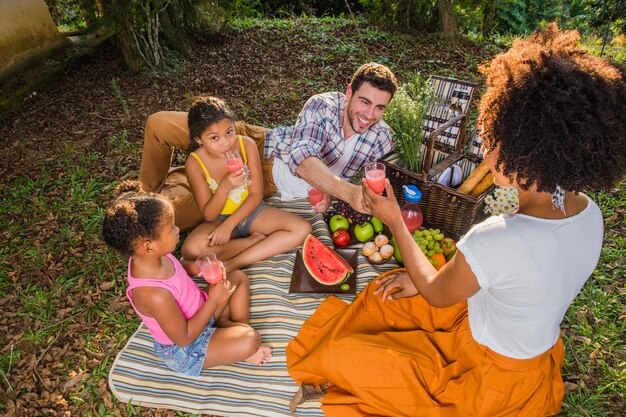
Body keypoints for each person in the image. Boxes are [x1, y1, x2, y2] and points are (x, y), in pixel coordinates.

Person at [286, 24, 626, 416]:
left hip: (487, 377)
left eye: (493, 140)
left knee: (346, 355)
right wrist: (421, 282)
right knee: (387, 297)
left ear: (526, 151)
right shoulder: (589, 211)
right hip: (519, 349)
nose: (485, 150)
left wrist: (396, 221)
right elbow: (522, 275)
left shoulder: (496, 238)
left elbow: (437, 292)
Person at [138, 62, 398, 230]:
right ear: (349, 92)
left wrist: (331, 189)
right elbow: (302, 159)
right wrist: (346, 191)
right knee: (159, 124)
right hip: (259, 145)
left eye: (379, 108)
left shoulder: (381, 138)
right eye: (364, 102)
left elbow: (398, 178)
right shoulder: (324, 105)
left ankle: (167, 189)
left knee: (159, 218)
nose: (369, 114)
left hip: (261, 183)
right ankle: (144, 190)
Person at [102, 181, 272, 376]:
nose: (178, 229)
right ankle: (238, 343)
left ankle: (232, 330)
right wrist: (215, 300)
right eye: (171, 229)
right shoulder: (153, 293)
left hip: (201, 312)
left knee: (238, 277)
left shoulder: (154, 256)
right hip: (189, 348)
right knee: (250, 340)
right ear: (149, 246)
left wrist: (198, 267)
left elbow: (178, 269)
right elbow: (184, 338)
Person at [180, 96, 311, 273]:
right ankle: (253, 242)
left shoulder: (246, 145)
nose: (225, 143)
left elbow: (256, 195)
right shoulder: (195, 163)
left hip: (252, 212)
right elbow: (209, 215)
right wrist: (225, 186)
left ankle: (234, 263)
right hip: (219, 219)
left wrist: (229, 226)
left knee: (301, 228)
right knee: (191, 250)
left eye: (229, 132)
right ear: (199, 139)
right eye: (214, 138)